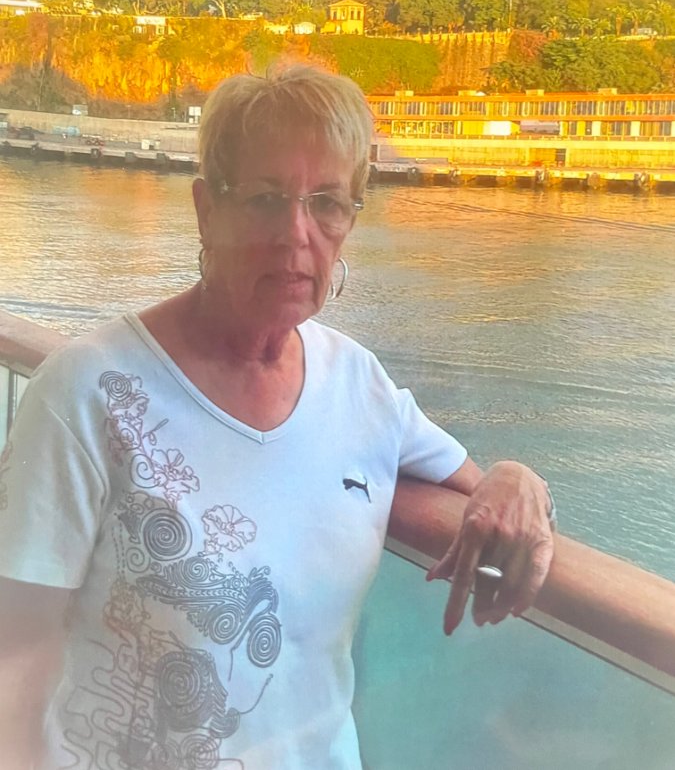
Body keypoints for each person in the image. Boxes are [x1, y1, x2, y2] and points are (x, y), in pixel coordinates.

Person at [0, 64, 555, 770]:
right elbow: (12, 659)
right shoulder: (87, 392)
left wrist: (519, 479)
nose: (297, 234)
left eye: (327, 203)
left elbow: (479, 485)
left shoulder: (358, 386)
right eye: (265, 199)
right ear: (207, 209)